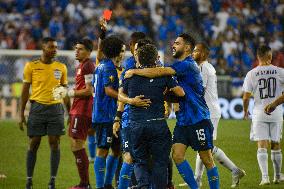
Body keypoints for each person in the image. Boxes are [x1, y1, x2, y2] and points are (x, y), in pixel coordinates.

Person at [125, 33, 220, 189]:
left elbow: (159, 71)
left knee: (206, 158)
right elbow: (178, 93)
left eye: (177, 43)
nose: (173, 46)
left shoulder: (187, 64)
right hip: (183, 120)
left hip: (198, 118)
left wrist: (135, 71)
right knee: (177, 155)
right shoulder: (180, 67)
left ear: (187, 47)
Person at [118, 44, 185, 189]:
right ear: (156, 58)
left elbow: (120, 94)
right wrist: (164, 94)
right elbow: (180, 93)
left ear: (139, 59)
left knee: (140, 161)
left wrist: (131, 101)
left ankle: (143, 186)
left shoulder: (130, 75)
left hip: (137, 125)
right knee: (160, 162)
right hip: (158, 125)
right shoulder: (164, 76)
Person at [191, 43, 245, 188]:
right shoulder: (208, 67)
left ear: (203, 54)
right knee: (202, 146)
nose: (193, 53)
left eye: (196, 51)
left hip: (208, 112)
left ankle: (235, 170)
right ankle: (197, 179)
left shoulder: (203, 68)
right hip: (209, 111)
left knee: (205, 147)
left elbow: (198, 91)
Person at [19, 37, 69, 189]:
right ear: (43, 47)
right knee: (34, 143)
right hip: (37, 109)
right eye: (51, 47)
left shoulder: (61, 67)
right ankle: (29, 179)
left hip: (55, 109)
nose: (54, 50)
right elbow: (25, 91)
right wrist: (21, 113)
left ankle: (52, 180)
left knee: (54, 144)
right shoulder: (31, 66)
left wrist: (69, 111)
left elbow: (63, 91)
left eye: (56, 47)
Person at [243, 45, 284, 185]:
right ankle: (278, 176)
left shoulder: (251, 74)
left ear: (257, 57)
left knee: (262, 145)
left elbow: (246, 97)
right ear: (270, 57)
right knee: (276, 143)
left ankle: (265, 178)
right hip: (276, 112)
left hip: (259, 112)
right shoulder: (280, 71)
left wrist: (245, 111)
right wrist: (274, 104)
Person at [113, 32, 146, 189]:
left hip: (148, 119)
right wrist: (118, 118)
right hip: (129, 119)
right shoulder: (128, 64)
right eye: (136, 46)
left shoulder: (155, 62)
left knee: (148, 156)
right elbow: (122, 94)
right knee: (128, 156)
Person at [92, 36, 126, 189]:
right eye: (122, 49)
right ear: (117, 51)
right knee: (103, 150)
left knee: (116, 150)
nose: (123, 53)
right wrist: (127, 98)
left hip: (108, 115)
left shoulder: (100, 64)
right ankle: (101, 186)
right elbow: (108, 91)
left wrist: (102, 35)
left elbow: (99, 52)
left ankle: (107, 184)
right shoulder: (109, 67)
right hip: (105, 116)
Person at [63, 38, 95, 189]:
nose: (77, 51)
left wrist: (69, 92)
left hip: (82, 110)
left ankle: (84, 184)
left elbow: (89, 90)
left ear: (89, 51)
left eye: (80, 49)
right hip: (78, 109)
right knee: (75, 144)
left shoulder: (88, 65)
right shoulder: (81, 66)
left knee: (77, 145)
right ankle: (84, 183)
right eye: (76, 48)